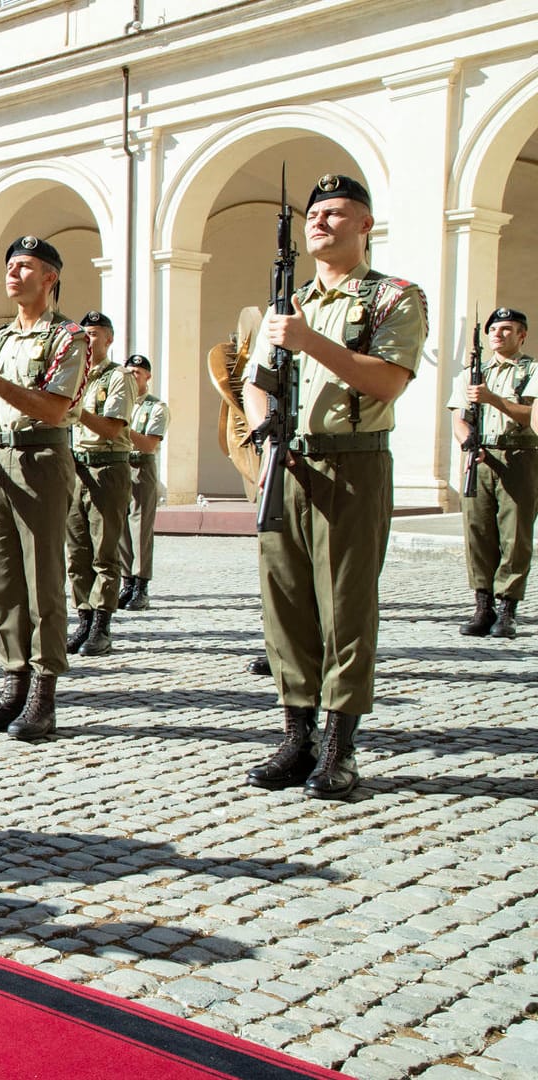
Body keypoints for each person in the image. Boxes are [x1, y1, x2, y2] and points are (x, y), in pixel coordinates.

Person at [241, 173, 427, 801]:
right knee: (286, 604)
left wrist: (309, 341)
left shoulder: (394, 298)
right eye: (314, 214)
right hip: (288, 464)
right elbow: (257, 379)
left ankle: (341, 749)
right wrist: (264, 429)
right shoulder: (287, 304)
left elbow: (387, 382)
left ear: (365, 226)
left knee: (346, 609)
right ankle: (297, 737)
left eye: (337, 213)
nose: (320, 222)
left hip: (353, 463)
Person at [0, 236, 88, 741]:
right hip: (0, 459)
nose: (13, 275)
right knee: (6, 579)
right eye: (10, 266)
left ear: (50, 278)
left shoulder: (68, 338)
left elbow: (55, 408)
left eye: (26, 267)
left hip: (43, 457)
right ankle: (13, 681)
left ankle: (44, 693)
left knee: (43, 581)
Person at [449, 306, 535, 639]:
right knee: (477, 532)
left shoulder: (531, 371)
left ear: (522, 335)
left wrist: (493, 398)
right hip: (480, 457)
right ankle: (482, 606)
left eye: (508, 329)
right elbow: (458, 417)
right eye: (494, 330)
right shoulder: (473, 374)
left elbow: (530, 415)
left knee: (515, 536)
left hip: (519, 456)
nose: (498, 335)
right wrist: (467, 443)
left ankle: (508, 609)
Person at [63, 311, 137, 657]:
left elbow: (110, 428)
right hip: (76, 469)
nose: (88, 341)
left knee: (104, 551)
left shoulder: (119, 377)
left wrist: (75, 409)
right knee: (77, 552)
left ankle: (102, 625)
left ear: (108, 339)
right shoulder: (75, 375)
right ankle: (83, 617)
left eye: (94, 335)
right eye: (84, 335)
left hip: (107, 467)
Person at [118, 355, 170, 611]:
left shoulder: (156, 407)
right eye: (128, 372)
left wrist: (118, 428)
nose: (132, 377)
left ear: (148, 376)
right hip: (119, 465)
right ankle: (126, 581)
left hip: (141, 466)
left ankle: (141, 585)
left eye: (137, 372)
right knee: (120, 528)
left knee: (140, 528)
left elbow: (149, 444)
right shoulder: (118, 401)